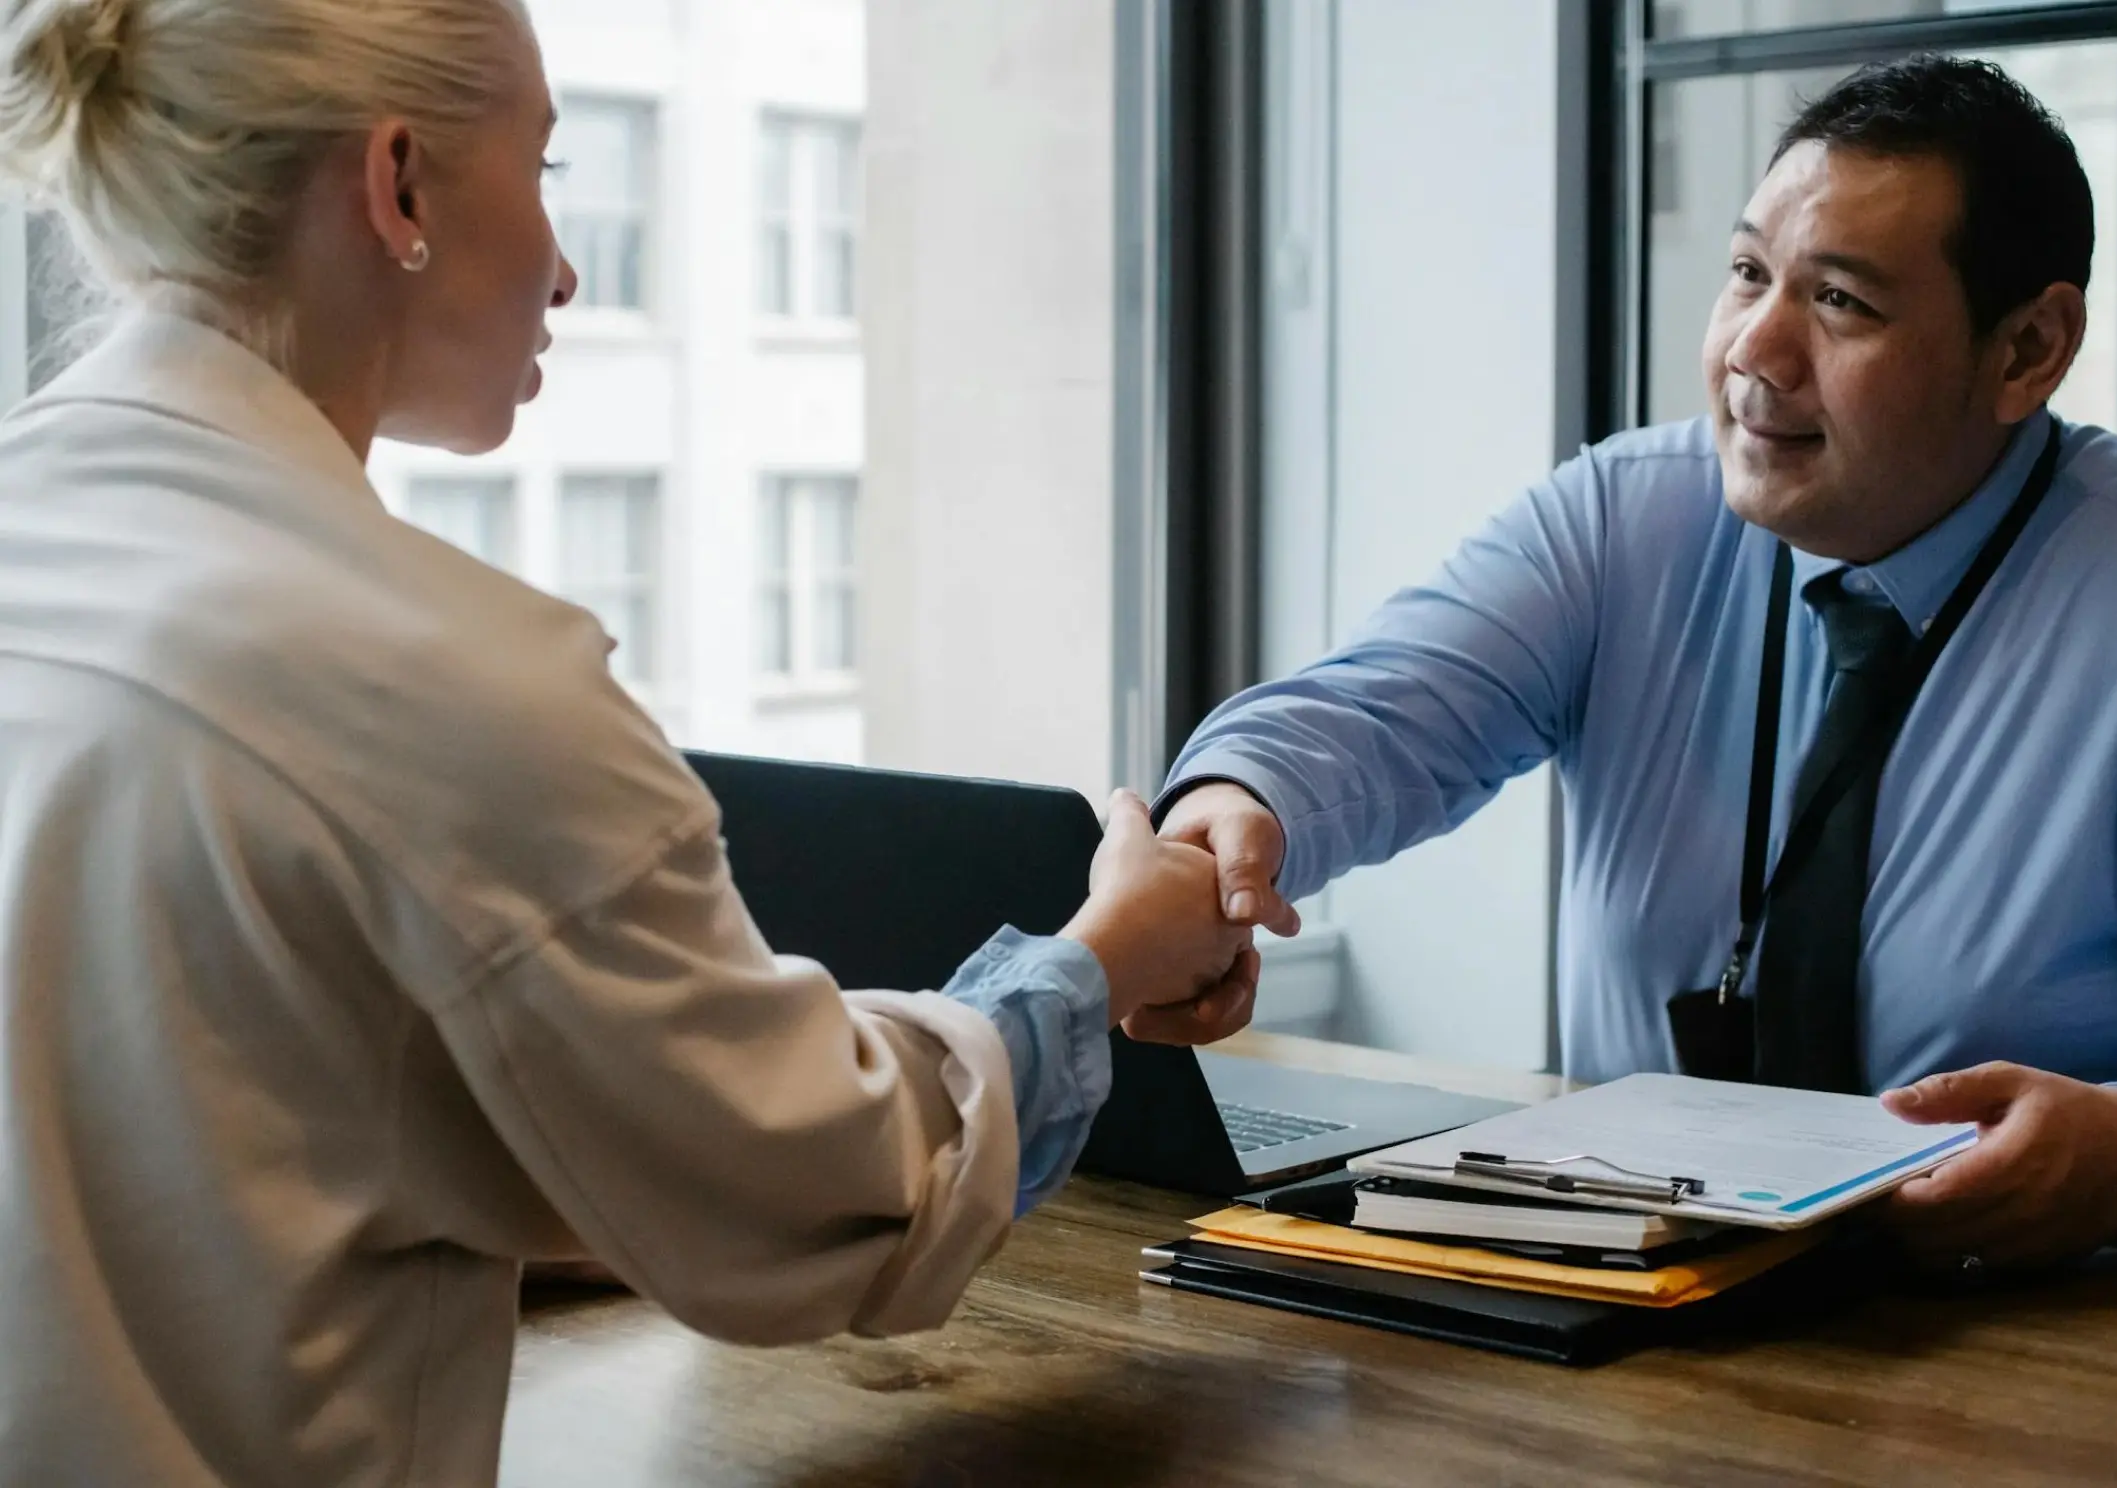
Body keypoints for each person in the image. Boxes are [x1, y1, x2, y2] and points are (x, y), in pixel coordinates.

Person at [0, 1, 1256, 1484]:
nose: (568, 265)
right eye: (544, 169)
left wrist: (577, 1170)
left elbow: (211, 1125)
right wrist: (1106, 955)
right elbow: (813, 1195)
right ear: (398, 184)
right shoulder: (445, 683)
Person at [1160, 53, 2117, 1275]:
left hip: (2030, 1352)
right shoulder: (1631, 516)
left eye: (1840, 302)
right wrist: (1235, 812)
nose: (1754, 351)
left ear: (2029, 349)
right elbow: (1378, 716)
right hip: (1635, 1315)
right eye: (1746, 276)